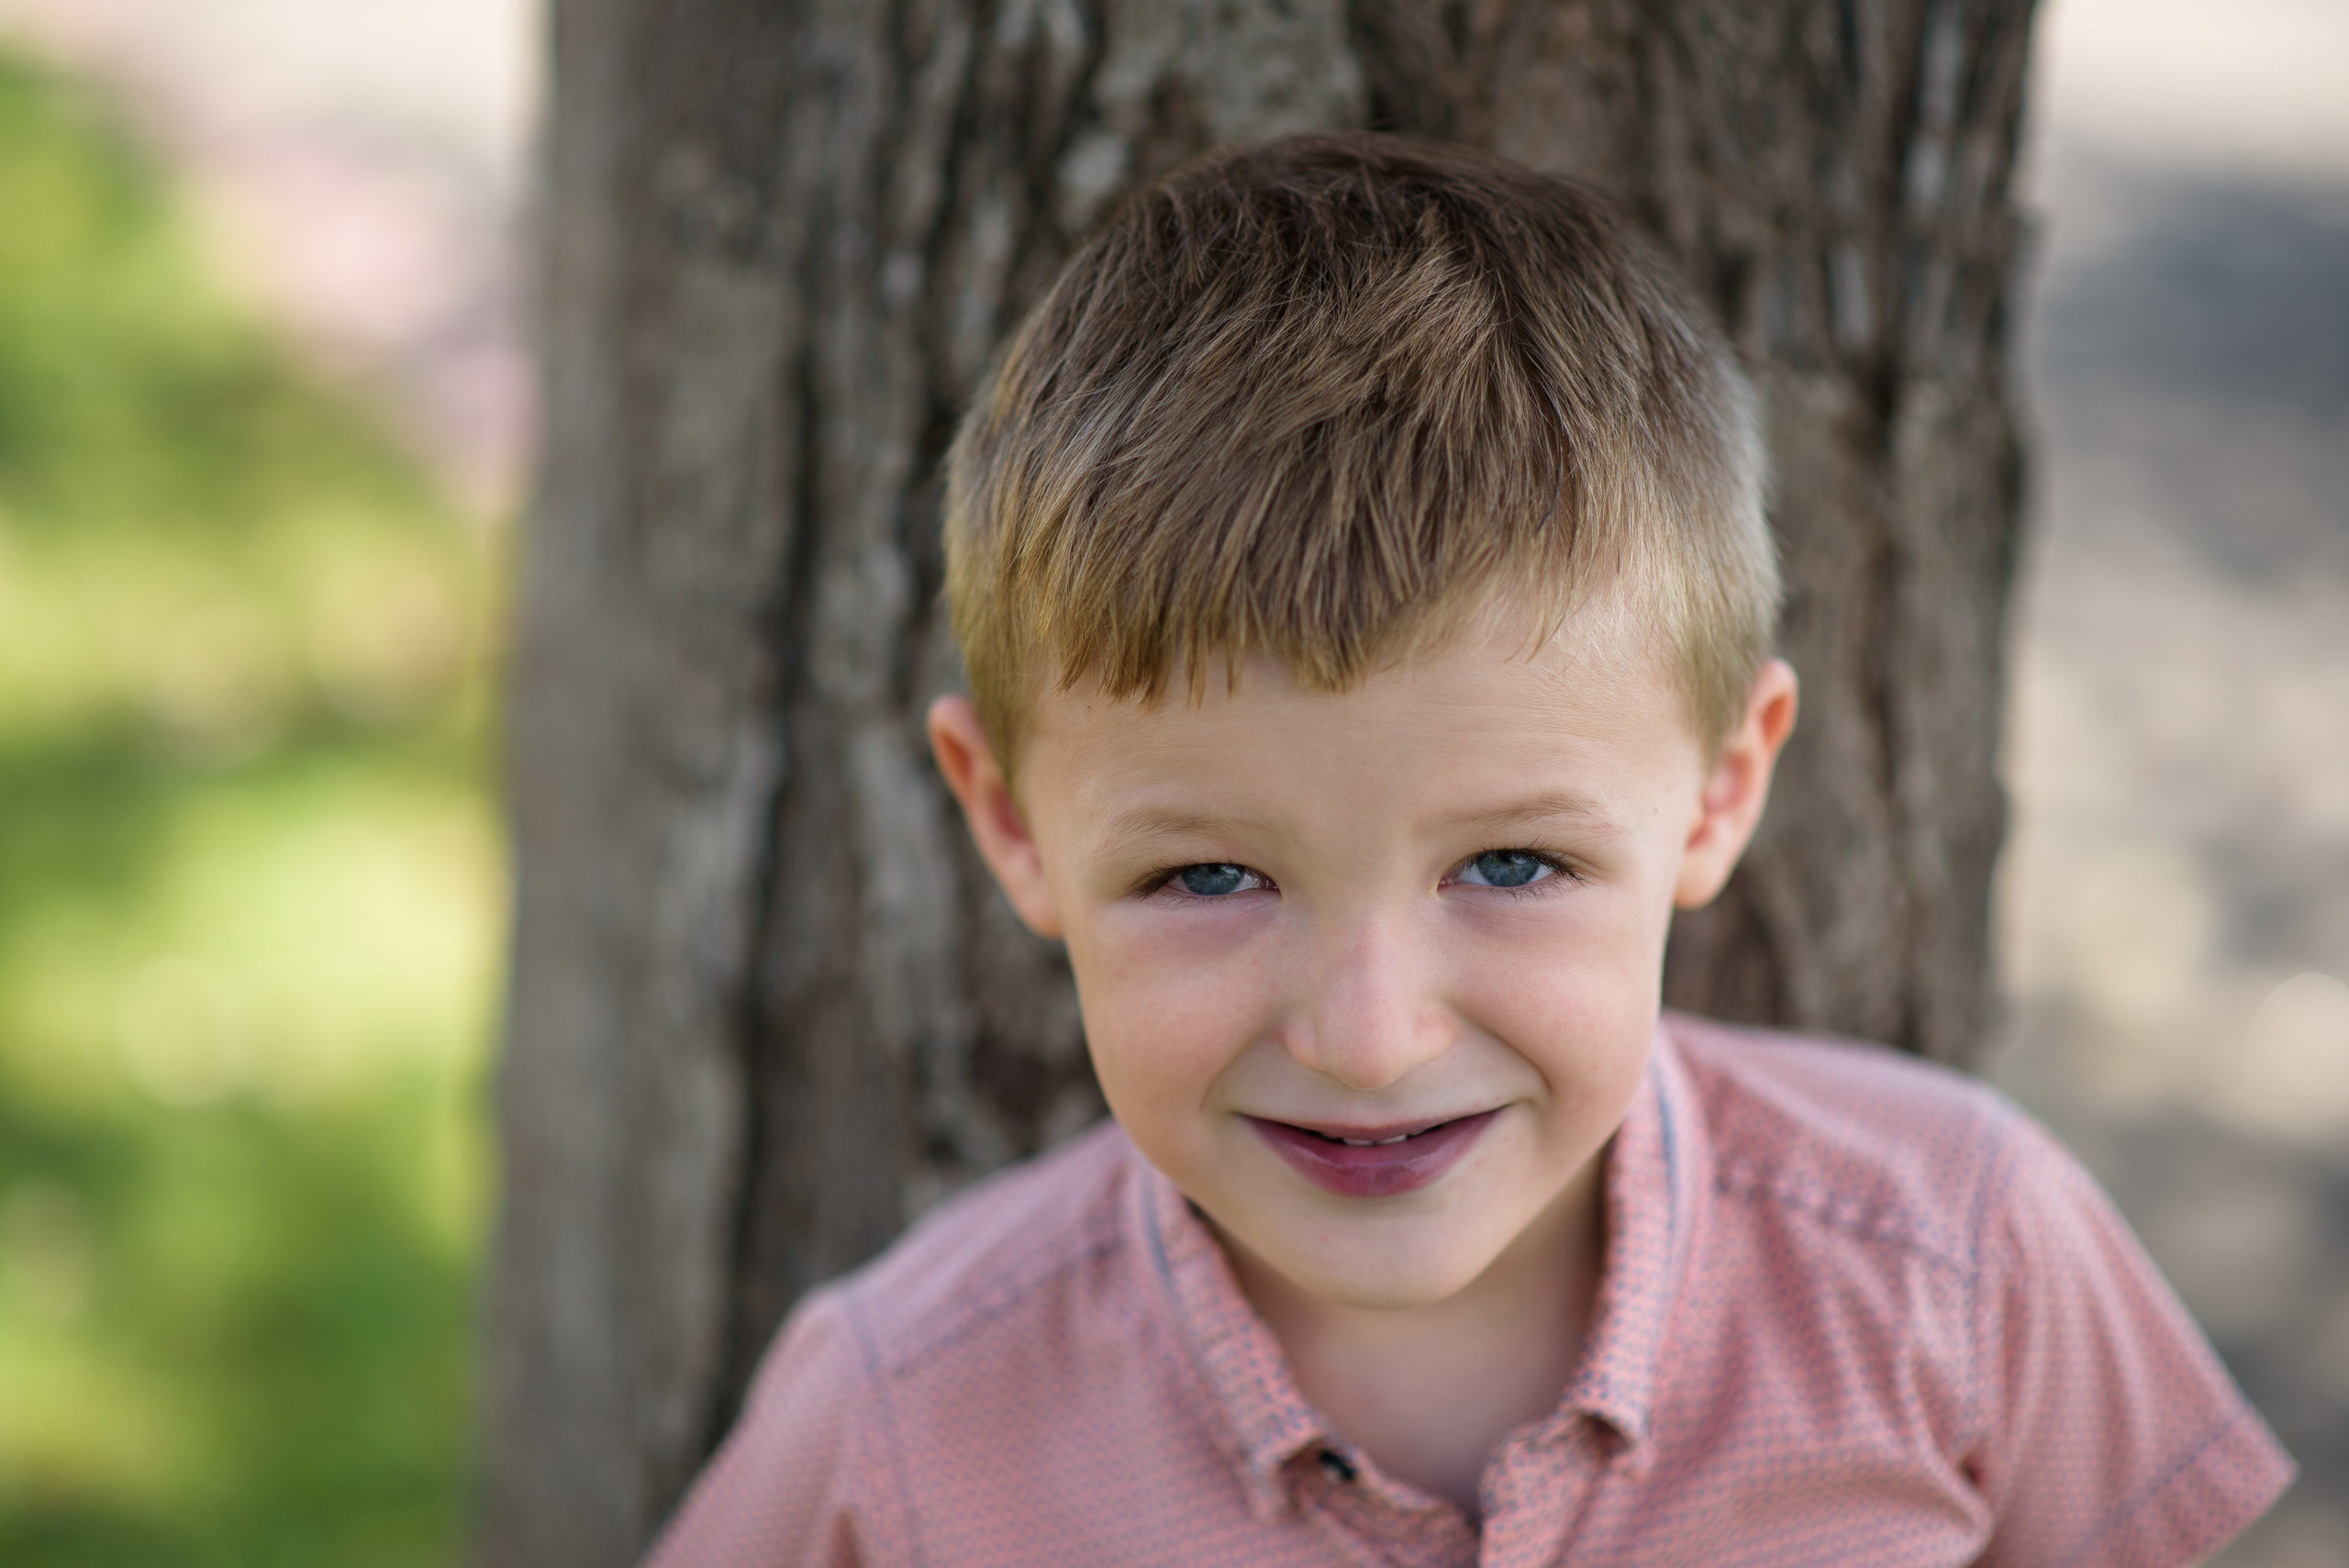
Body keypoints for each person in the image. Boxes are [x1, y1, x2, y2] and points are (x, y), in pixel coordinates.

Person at [645, 133, 2291, 1567]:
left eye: (1509, 866)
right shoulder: (895, 1425)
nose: (1368, 1036)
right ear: (1010, 821)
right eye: (1209, 876)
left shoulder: (1967, 1257)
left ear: (1720, 792)